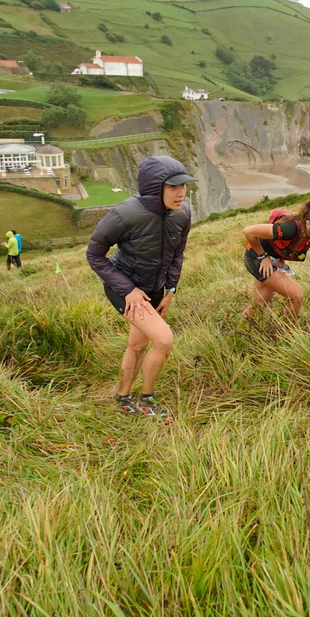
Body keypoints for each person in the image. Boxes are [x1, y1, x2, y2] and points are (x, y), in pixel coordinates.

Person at [86, 155, 195, 421]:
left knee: (137, 344)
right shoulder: (124, 214)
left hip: (155, 288)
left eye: (183, 185)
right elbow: (94, 255)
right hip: (124, 287)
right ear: (155, 187)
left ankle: (122, 398)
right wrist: (128, 290)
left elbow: (177, 253)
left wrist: (171, 289)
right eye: (173, 186)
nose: (181, 192)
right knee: (164, 340)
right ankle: (147, 401)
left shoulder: (183, 213)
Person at [241, 201, 310, 319]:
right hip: (256, 256)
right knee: (296, 295)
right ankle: (288, 329)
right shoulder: (289, 228)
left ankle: (243, 324)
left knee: (260, 302)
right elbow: (249, 231)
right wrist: (263, 256)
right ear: (308, 224)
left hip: (274, 258)